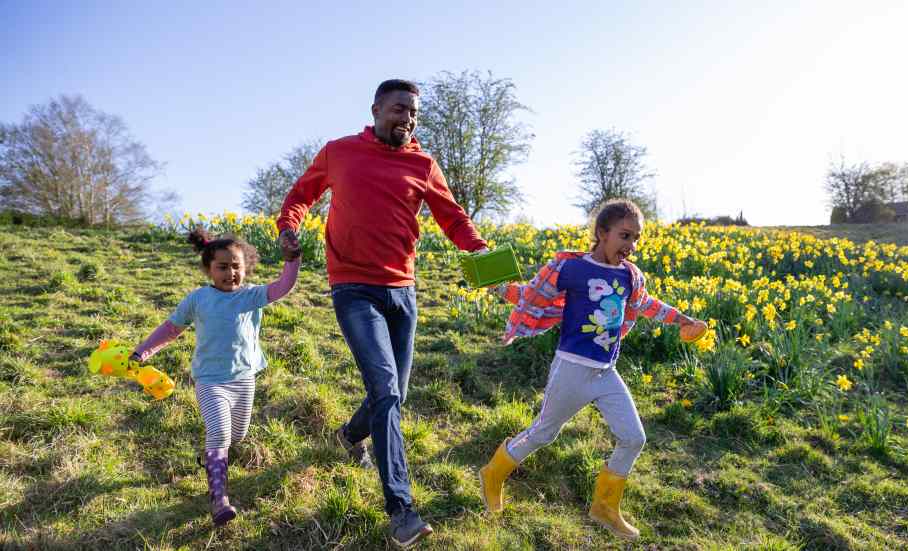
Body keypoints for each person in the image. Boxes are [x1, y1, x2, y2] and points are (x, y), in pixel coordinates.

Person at [276, 79, 487, 548]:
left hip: (403, 291)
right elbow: (299, 197)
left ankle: (350, 436)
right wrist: (289, 228)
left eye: (412, 112)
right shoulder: (339, 152)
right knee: (387, 392)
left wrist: (482, 252)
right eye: (398, 109)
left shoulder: (423, 163)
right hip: (353, 288)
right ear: (375, 109)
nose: (406, 119)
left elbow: (452, 218)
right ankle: (401, 510)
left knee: (395, 392)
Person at [478, 199, 708, 540]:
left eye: (636, 239)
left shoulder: (631, 276)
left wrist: (683, 319)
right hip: (571, 369)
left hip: (606, 372)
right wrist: (493, 284)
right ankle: (494, 474)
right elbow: (532, 295)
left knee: (634, 438)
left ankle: (604, 507)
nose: (630, 246)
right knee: (544, 433)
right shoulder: (571, 268)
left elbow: (646, 305)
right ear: (602, 233)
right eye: (624, 235)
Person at [130, 227, 300, 526]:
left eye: (237, 267)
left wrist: (292, 260)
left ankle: (210, 458)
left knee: (238, 436)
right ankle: (219, 499)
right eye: (223, 267)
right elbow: (171, 329)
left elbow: (283, 286)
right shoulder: (198, 299)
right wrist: (143, 352)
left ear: (245, 269)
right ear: (209, 269)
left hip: (245, 378)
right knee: (220, 433)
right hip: (210, 380)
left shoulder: (252, 295)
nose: (230, 273)